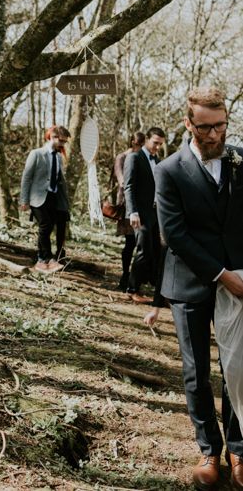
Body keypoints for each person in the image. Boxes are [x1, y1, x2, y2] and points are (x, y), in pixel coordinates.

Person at [153, 87, 243, 490]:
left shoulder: (241, 160)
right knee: (196, 372)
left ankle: (239, 449)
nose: (213, 135)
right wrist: (221, 274)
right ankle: (208, 448)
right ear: (188, 123)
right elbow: (174, 233)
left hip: (238, 283)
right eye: (204, 127)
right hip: (190, 282)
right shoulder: (169, 170)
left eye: (220, 125)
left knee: (237, 368)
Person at [123, 127, 166, 304]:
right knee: (143, 251)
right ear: (147, 139)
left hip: (155, 213)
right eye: (155, 143)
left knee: (157, 251)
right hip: (139, 213)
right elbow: (129, 186)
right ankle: (132, 289)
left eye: (160, 144)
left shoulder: (157, 160)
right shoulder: (134, 157)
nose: (157, 147)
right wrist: (132, 212)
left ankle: (159, 293)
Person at [20, 125, 71, 273]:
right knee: (45, 226)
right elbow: (27, 177)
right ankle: (46, 259)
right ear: (53, 137)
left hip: (53, 198)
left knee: (47, 228)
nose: (62, 144)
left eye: (64, 142)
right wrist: (24, 200)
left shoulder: (59, 157)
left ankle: (42, 260)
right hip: (37, 197)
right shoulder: (36, 154)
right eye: (61, 141)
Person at [113, 132, 146, 291]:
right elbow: (122, 181)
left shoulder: (144, 158)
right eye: (138, 144)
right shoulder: (122, 157)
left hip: (142, 205)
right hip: (127, 204)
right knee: (130, 242)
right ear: (133, 142)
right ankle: (125, 275)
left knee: (141, 243)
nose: (139, 147)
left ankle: (136, 278)